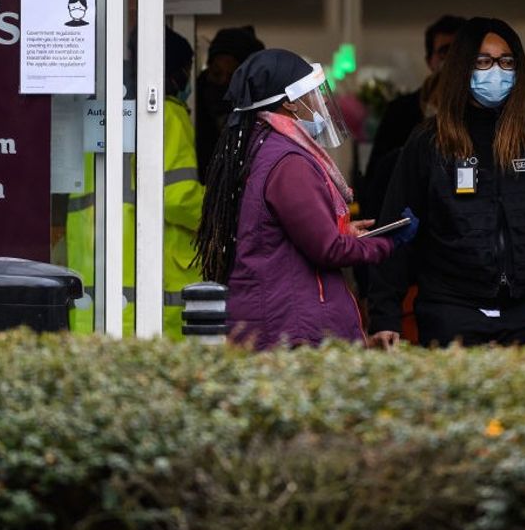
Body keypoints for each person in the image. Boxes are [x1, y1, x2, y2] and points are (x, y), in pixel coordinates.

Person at [367, 17, 525, 347]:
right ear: (461, 67)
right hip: (450, 315)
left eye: (506, 61)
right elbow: (397, 233)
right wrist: (384, 316)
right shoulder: (431, 142)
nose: (496, 71)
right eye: (483, 61)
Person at [194, 48, 417, 350]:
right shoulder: (288, 161)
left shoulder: (266, 148)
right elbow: (328, 250)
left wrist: (346, 233)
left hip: (280, 322)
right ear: (289, 104)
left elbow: (288, 239)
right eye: (313, 93)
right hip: (291, 330)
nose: (323, 101)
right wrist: (387, 243)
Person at [67, 27, 205, 337]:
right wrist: (224, 212)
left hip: (95, 282)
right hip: (150, 291)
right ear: (174, 73)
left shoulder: (100, 115)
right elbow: (179, 197)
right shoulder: (166, 114)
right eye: (187, 71)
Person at [366, 14, 464, 171]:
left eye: (459, 50)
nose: (453, 59)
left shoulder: (483, 109)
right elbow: (377, 175)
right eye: (444, 51)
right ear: (429, 61)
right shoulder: (400, 112)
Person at [194, 25, 265, 180]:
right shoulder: (192, 105)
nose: (223, 82)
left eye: (232, 76)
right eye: (216, 73)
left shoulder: (260, 116)